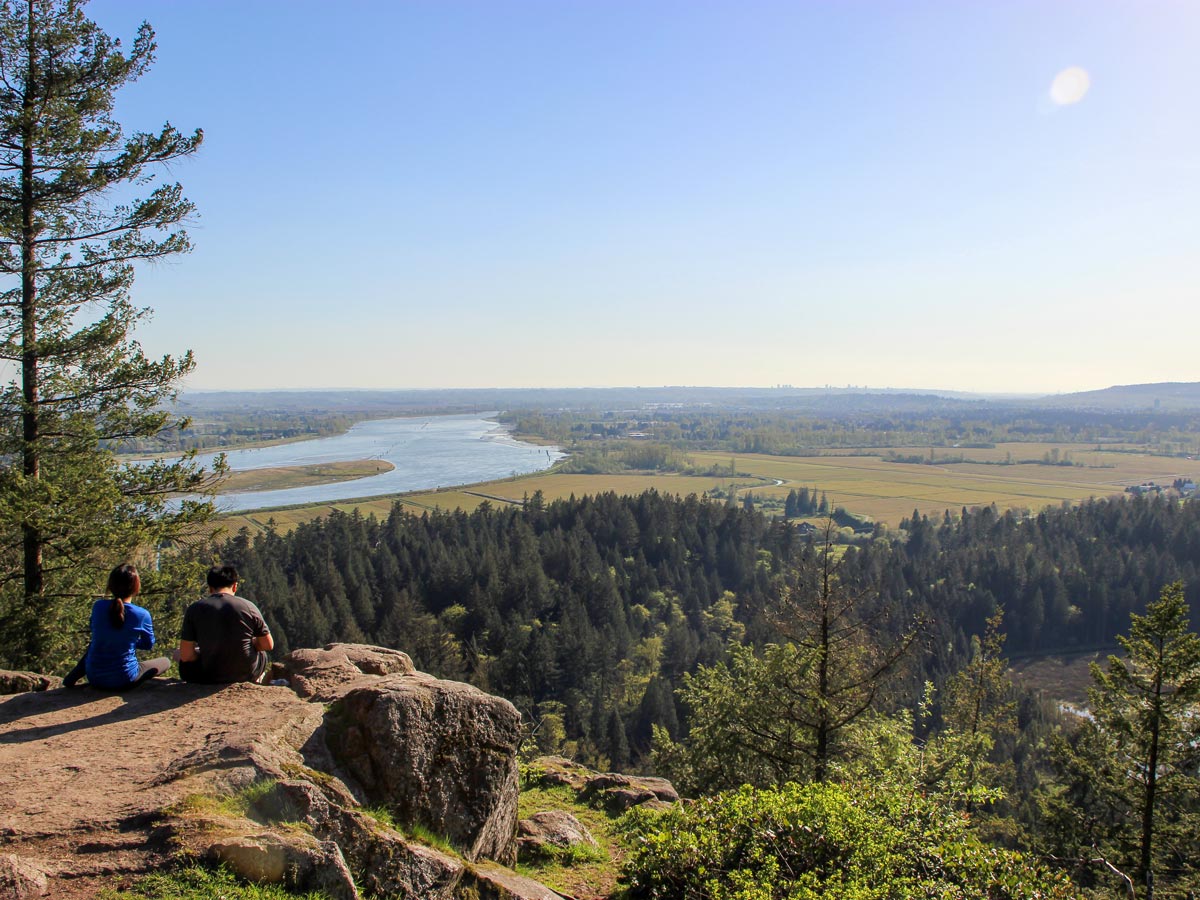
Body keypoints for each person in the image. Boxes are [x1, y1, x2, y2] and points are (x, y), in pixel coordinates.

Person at [63, 564, 171, 690]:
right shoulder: (142, 614)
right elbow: (148, 644)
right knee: (166, 662)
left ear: (111, 586)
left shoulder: (98, 607)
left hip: (94, 677)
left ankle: (72, 677)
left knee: (96, 645)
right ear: (135, 587)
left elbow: (97, 632)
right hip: (123, 679)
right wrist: (128, 640)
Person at [177, 565, 274, 684]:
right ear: (235, 586)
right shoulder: (248, 607)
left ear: (210, 588)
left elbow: (187, 655)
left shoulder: (194, 609)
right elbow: (268, 645)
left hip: (208, 674)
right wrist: (253, 643)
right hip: (245, 672)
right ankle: (256, 680)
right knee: (262, 653)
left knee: (180, 656)